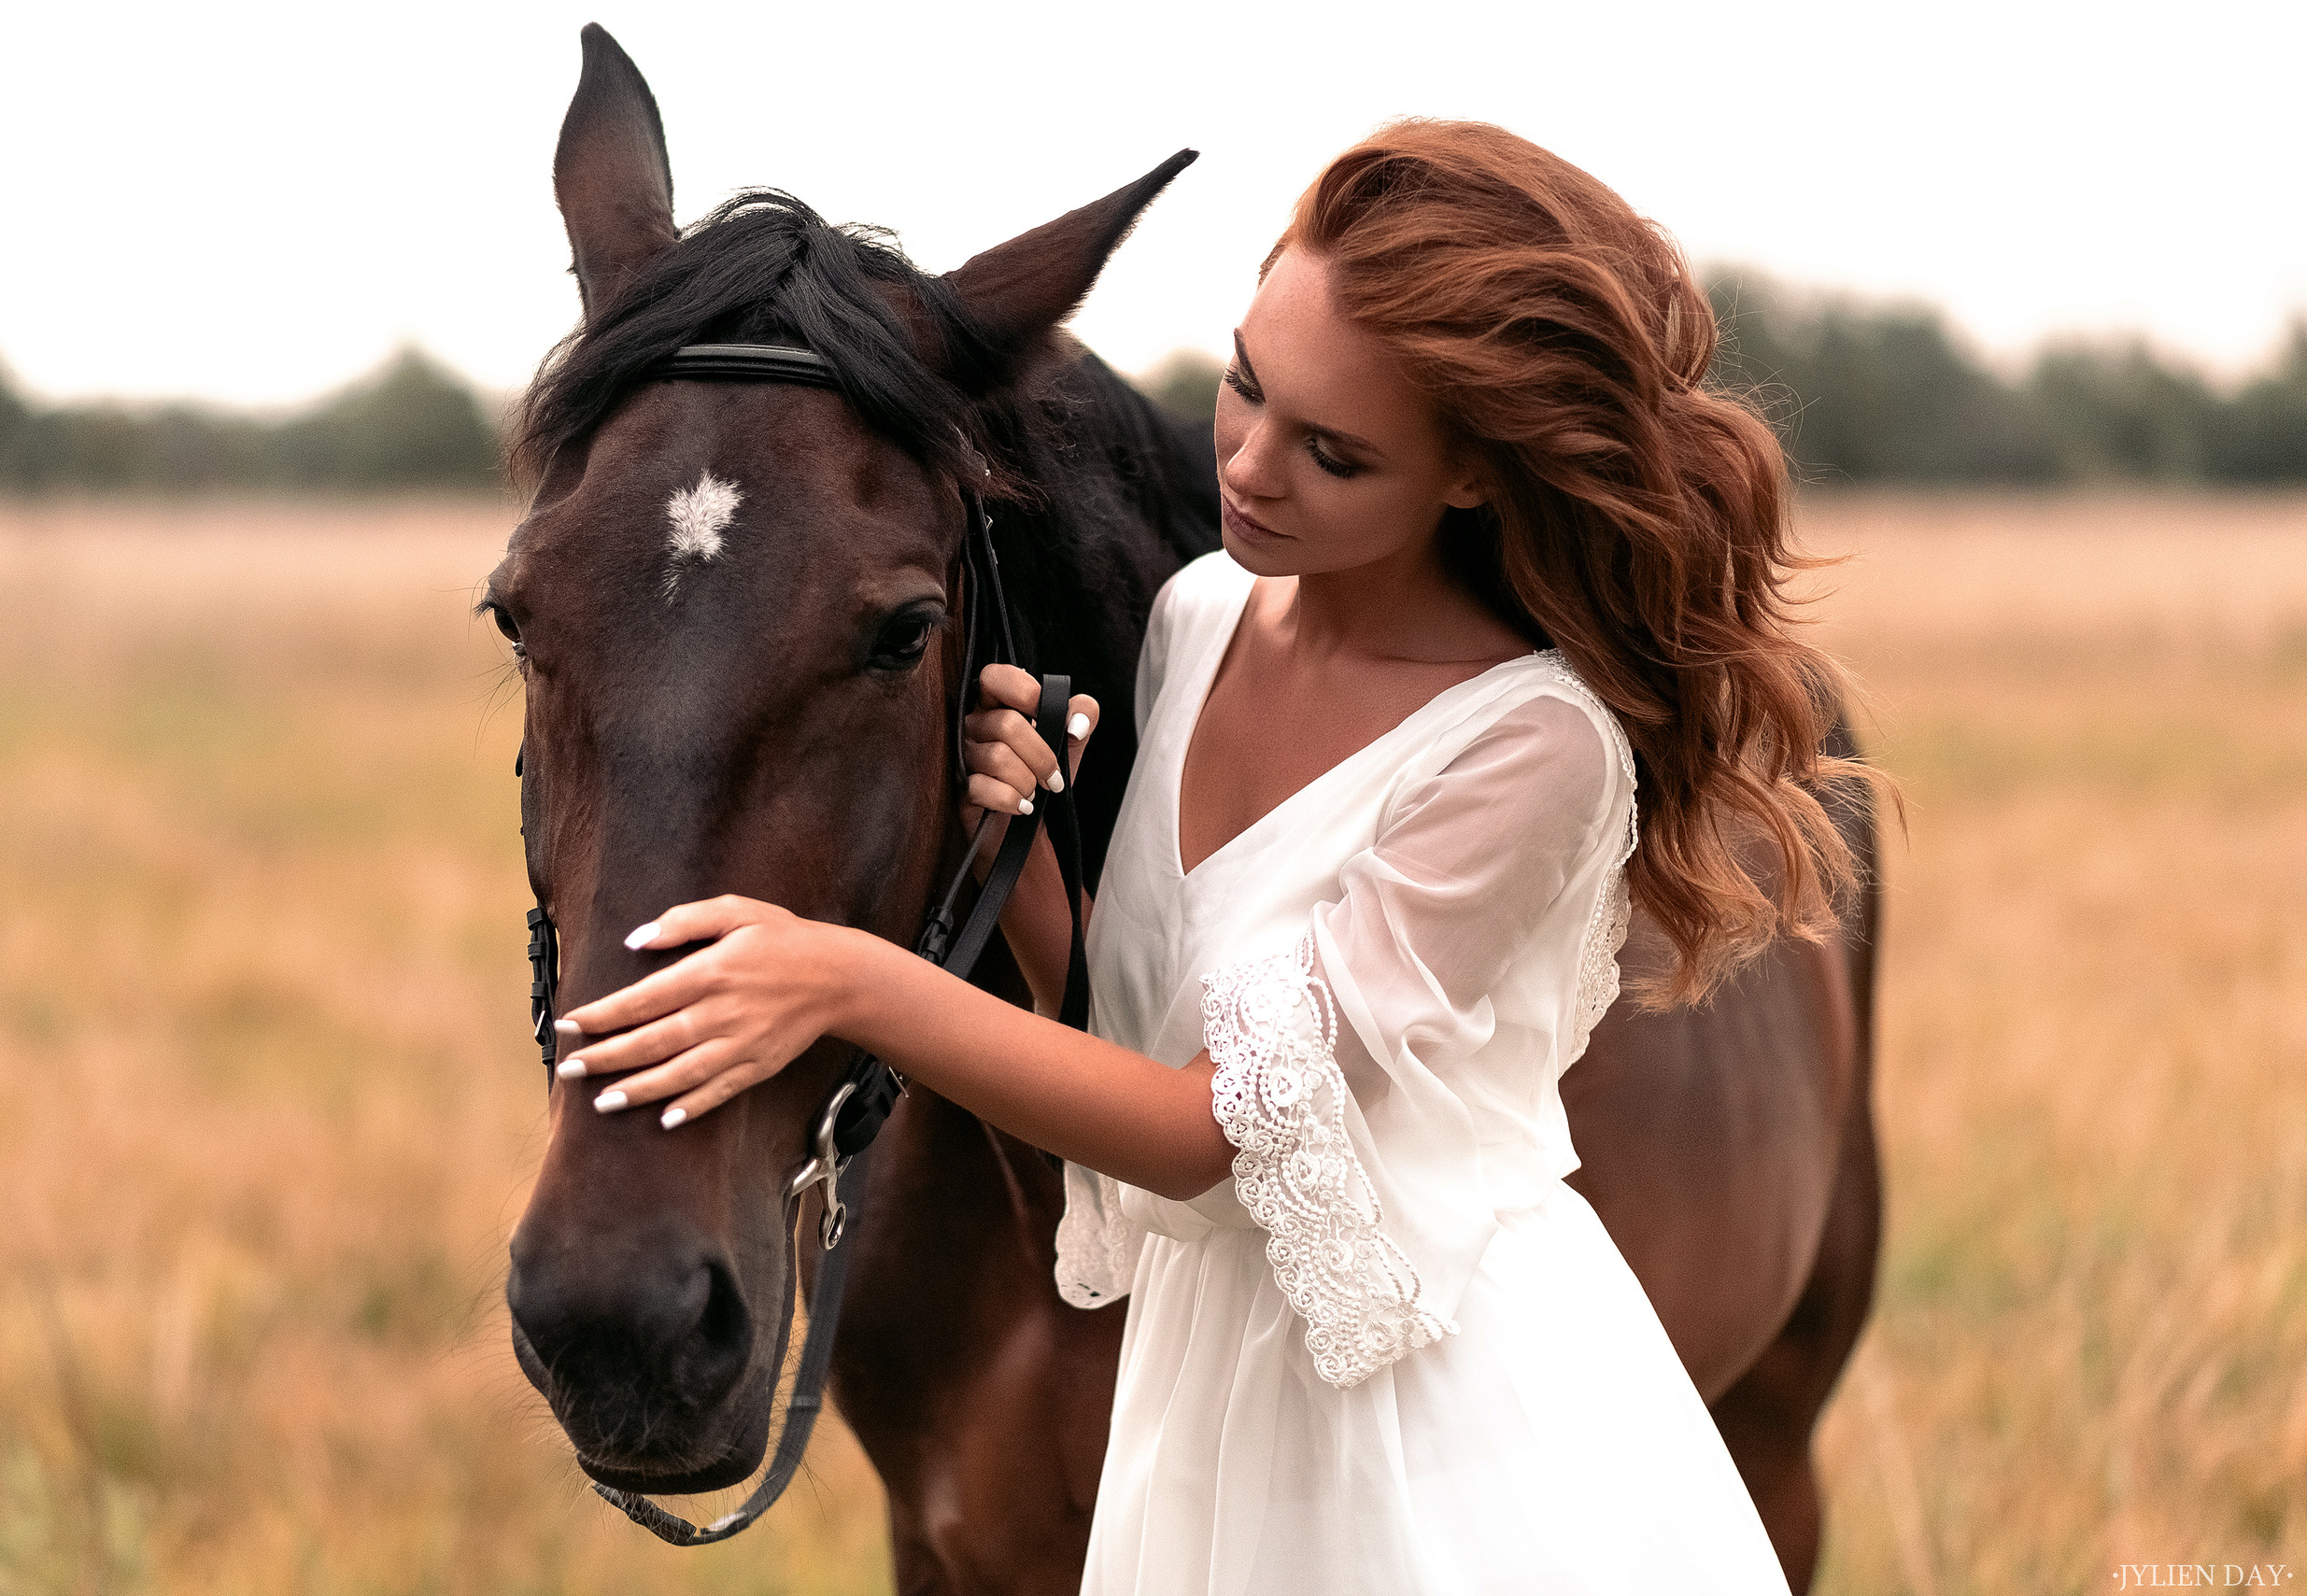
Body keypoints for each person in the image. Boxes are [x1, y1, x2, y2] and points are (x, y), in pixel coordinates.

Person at [551, 120, 1870, 1593]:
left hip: (1412, 1416)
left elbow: (1204, 1132)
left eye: (1335, 452)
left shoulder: (1530, 748)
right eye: (1246, 383)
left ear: (1474, 481)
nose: (1246, 462)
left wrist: (848, 980)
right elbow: (1139, 1025)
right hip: (1215, 1367)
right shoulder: (1198, 615)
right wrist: (1029, 863)